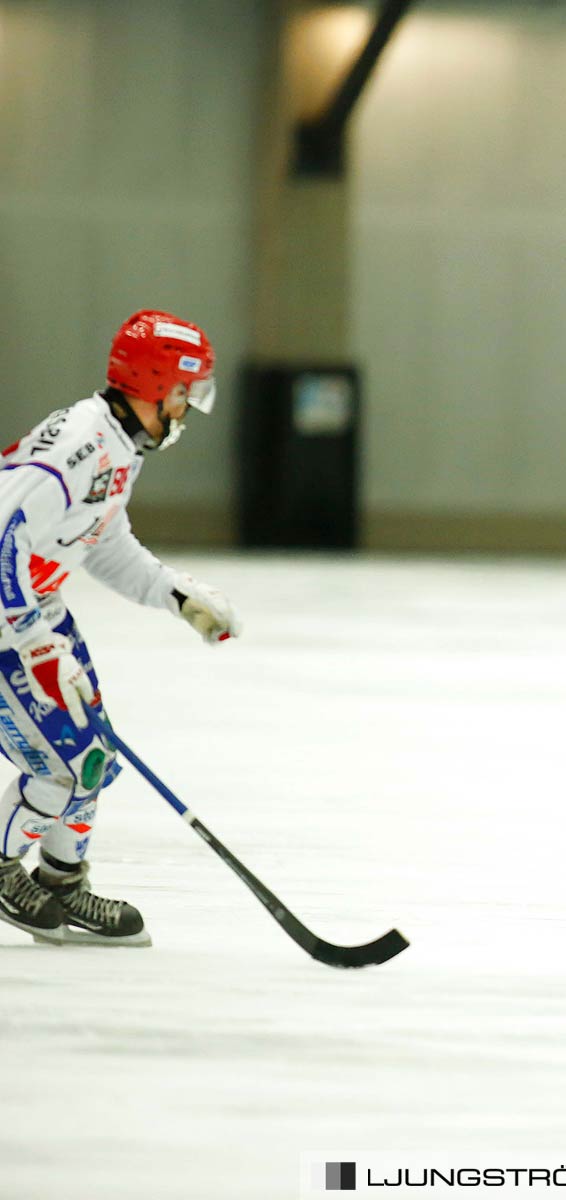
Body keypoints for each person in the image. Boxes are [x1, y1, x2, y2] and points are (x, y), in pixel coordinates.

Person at [0, 311, 242, 947]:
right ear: (158, 382)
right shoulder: (76, 447)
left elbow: (100, 538)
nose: (186, 408)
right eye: (185, 392)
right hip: (9, 625)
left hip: (38, 614)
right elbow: (3, 534)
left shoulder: (120, 445)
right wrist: (34, 643)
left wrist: (173, 593)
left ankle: (61, 882)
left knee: (94, 758)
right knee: (61, 766)